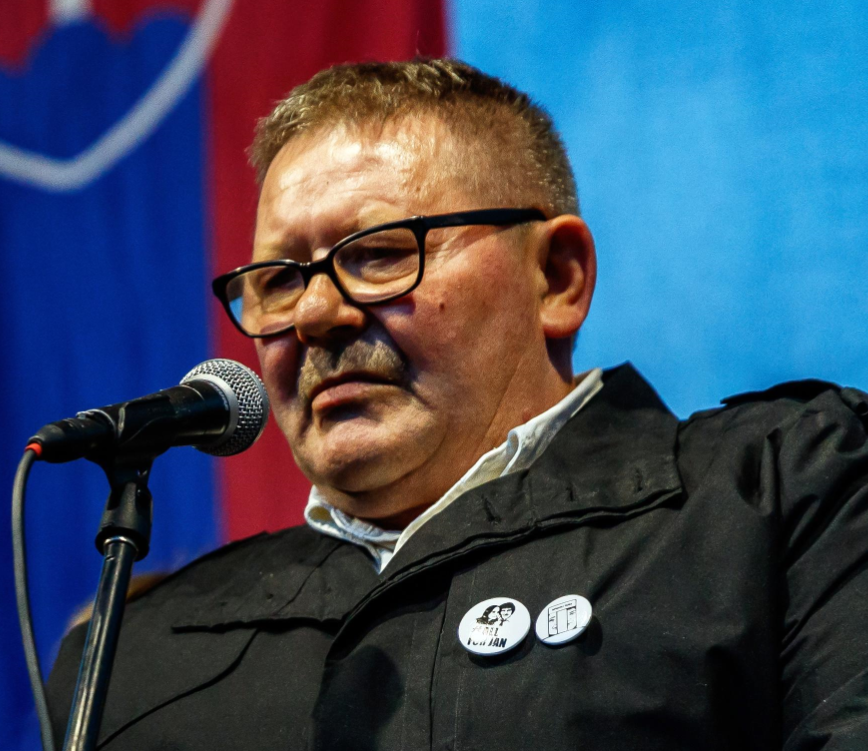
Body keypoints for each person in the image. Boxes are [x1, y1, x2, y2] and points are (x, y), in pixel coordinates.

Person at [47, 59, 868, 749]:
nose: (314, 315)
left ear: (557, 278)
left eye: (375, 255)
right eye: (278, 281)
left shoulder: (783, 502)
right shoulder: (140, 654)